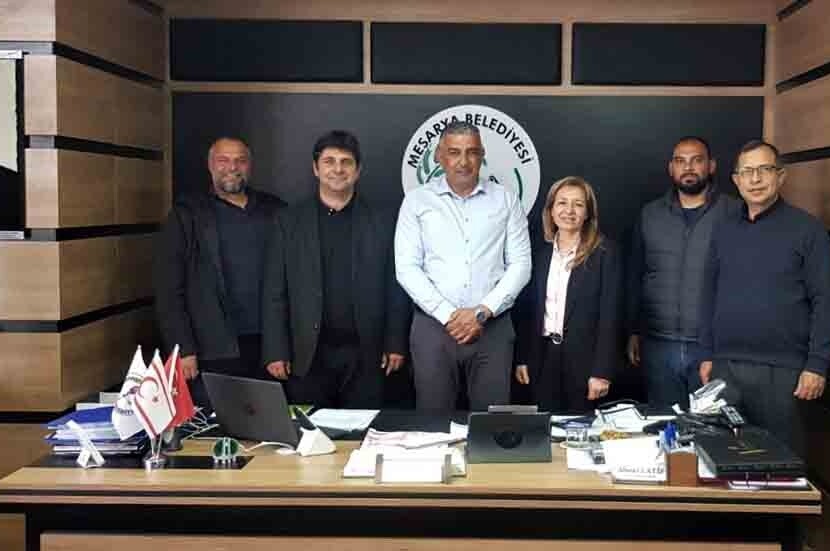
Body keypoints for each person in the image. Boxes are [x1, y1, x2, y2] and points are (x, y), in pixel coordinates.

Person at [698, 139, 830, 458]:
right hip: (726, 368)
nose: (755, 179)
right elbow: (708, 294)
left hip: (785, 372)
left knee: (782, 465)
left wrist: (817, 364)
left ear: (781, 176)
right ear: (736, 180)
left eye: (764, 169)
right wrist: (706, 354)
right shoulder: (723, 229)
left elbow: (825, 301)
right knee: (724, 460)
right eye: (747, 172)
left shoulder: (807, 230)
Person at [262, 130, 410, 408]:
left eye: (346, 162)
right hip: (307, 353)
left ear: (358, 170)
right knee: (311, 432)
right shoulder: (288, 220)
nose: (338, 169)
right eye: (329, 161)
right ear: (315, 168)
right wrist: (275, 349)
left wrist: (395, 341)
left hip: (367, 353)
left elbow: (396, 285)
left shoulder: (383, 220)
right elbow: (274, 290)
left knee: (364, 429)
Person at [394, 120, 532, 411]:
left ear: (482, 155)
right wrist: (449, 316)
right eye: (454, 152)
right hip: (433, 329)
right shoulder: (417, 202)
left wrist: (481, 312)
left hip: (492, 328)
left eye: (472, 152)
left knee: (492, 424)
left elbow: (521, 264)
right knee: (432, 423)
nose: (463, 161)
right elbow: (407, 267)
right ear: (439, 156)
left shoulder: (506, 200)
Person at [155, 137, 285, 406]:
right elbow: (169, 289)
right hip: (211, 348)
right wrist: (183, 349)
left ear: (250, 166)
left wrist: (283, 346)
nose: (232, 167)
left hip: (267, 347)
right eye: (223, 160)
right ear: (210, 165)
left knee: (270, 423)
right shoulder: (187, 214)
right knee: (217, 424)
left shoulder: (276, 211)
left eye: (240, 160)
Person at [625, 136, 740, 411]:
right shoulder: (650, 214)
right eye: (680, 161)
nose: (688, 168)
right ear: (671, 168)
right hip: (658, 344)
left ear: (711, 166)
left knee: (711, 426)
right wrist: (633, 330)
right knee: (665, 424)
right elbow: (636, 274)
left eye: (696, 160)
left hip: (712, 346)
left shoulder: (734, 212)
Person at [514, 176, 621, 412]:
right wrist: (522, 357)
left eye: (578, 204)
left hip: (585, 362)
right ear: (551, 210)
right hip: (542, 357)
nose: (569, 211)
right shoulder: (539, 254)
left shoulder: (605, 253)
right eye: (562, 203)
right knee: (545, 427)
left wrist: (602, 372)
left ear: (588, 213)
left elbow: (610, 316)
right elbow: (527, 311)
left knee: (581, 428)